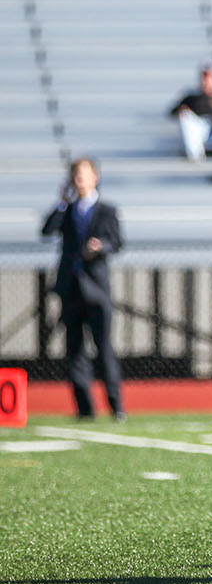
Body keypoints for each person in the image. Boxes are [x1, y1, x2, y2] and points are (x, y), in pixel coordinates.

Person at [40, 158, 125, 421]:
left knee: (103, 348)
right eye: (75, 176)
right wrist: (62, 201)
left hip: (97, 288)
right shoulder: (67, 210)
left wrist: (101, 248)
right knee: (74, 349)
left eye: (83, 175)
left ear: (95, 177)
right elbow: (47, 230)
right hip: (71, 288)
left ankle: (115, 405)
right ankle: (84, 407)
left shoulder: (106, 210)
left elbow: (117, 242)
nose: (79, 180)